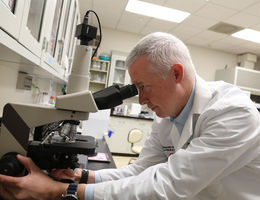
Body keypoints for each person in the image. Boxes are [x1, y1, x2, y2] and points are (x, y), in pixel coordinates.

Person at [0, 32, 260, 200]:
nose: (143, 101)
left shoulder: (232, 113)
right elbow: (142, 170)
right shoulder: (168, 114)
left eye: (144, 87)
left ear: (176, 74)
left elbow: (167, 186)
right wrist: (82, 177)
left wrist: (61, 191)